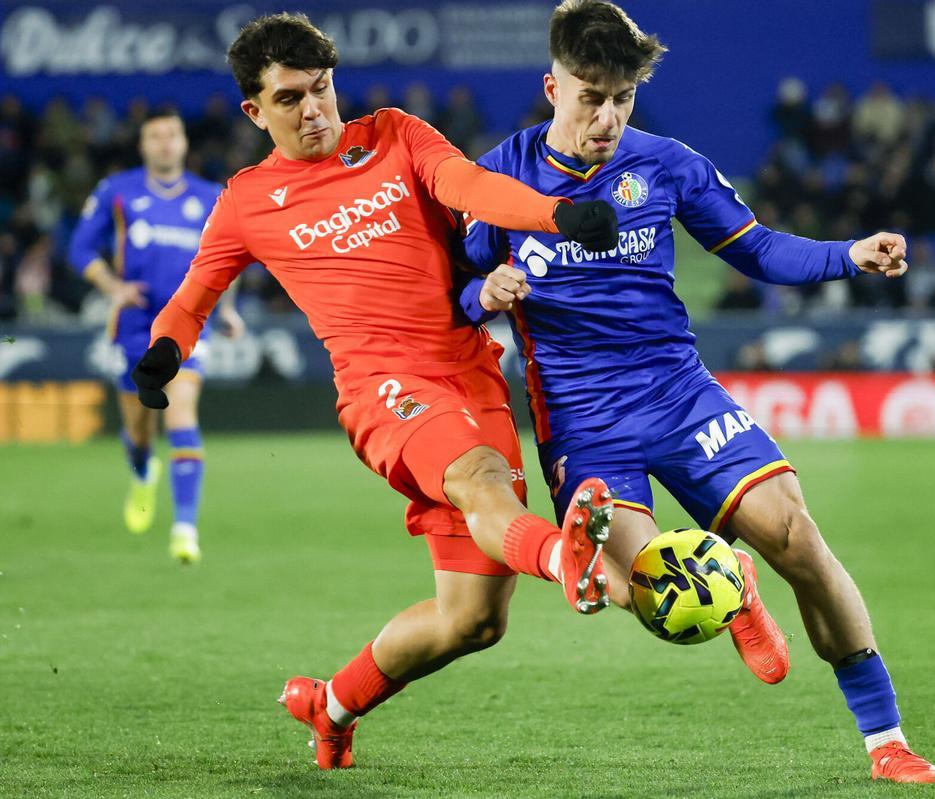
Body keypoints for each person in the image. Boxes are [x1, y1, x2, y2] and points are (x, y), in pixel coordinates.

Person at [456, 0, 935, 784]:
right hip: (585, 422)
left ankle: (886, 739)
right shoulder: (493, 180)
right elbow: (445, 293)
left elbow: (758, 250)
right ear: (552, 87)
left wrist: (847, 254)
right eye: (592, 97)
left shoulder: (667, 164)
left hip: (679, 393)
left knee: (797, 537)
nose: (608, 117)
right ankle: (733, 583)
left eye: (623, 97)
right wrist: (482, 296)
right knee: (643, 587)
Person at [129, 12, 623, 769]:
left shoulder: (395, 133)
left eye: (322, 89)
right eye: (291, 98)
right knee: (481, 479)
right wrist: (163, 353)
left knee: (474, 620)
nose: (315, 109)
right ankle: (567, 558)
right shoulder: (248, 201)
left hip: (467, 372)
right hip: (381, 388)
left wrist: (556, 216)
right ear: (255, 112)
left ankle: (330, 705)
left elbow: (468, 185)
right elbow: (197, 295)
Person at [68, 108, 244, 564]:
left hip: (186, 326)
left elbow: (232, 255)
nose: (165, 143)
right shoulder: (117, 192)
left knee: (181, 413)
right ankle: (144, 473)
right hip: (133, 328)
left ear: (184, 143)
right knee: (140, 430)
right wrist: (113, 287)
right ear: (143, 145)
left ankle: (185, 529)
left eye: (172, 135)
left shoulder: (210, 197)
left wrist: (226, 308)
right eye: (155, 136)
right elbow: (80, 247)